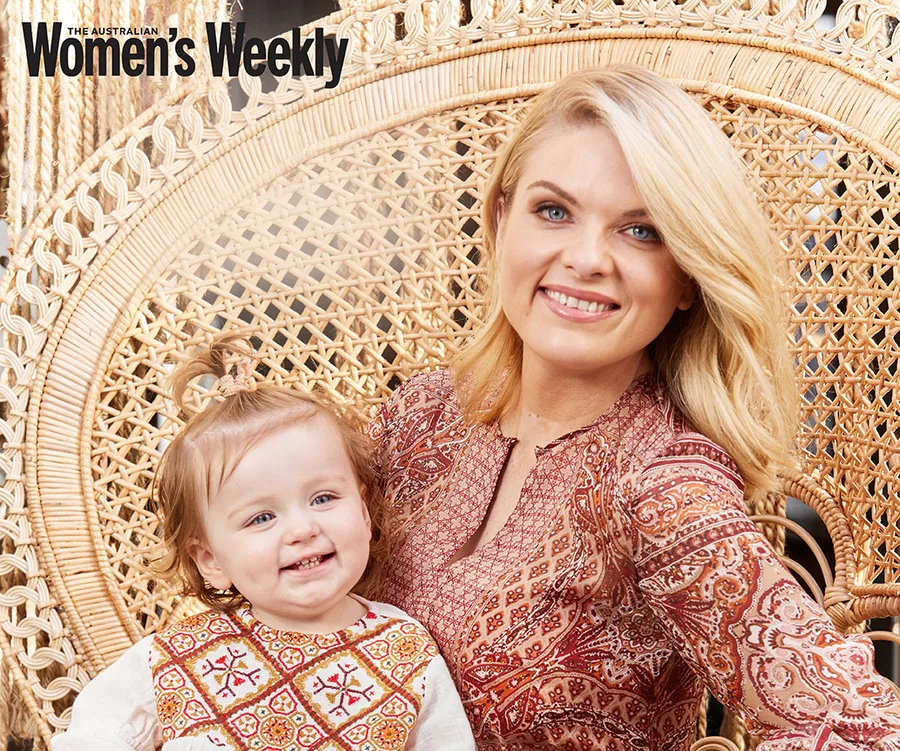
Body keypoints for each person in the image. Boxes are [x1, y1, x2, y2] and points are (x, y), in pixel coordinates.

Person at [368, 66, 900, 750]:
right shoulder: (420, 417)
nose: (587, 258)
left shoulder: (662, 485)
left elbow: (863, 726)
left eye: (642, 232)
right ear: (501, 220)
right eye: (553, 210)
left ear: (686, 275)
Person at [52, 337, 475, 751]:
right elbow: (95, 733)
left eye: (323, 498)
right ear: (211, 560)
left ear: (363, 513)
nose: (302, 529)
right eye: (262, 517)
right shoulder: (179, 657)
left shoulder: (406, 650)